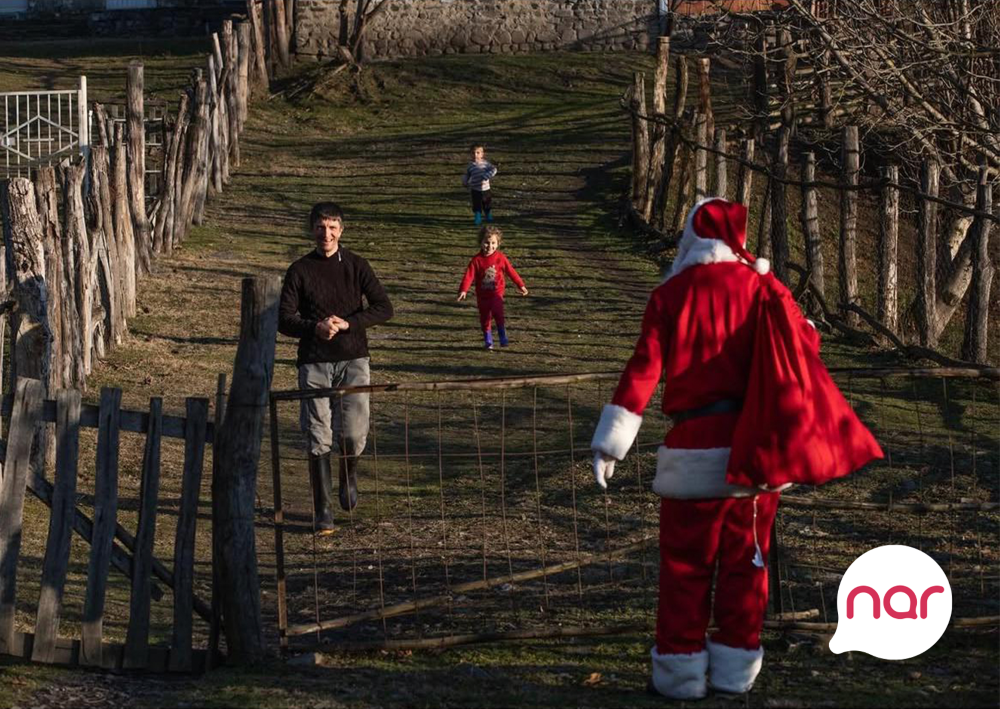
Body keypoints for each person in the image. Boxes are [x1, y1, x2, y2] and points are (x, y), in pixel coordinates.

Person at [590, 198, 882, 699]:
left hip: (690, 448)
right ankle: (734, 670)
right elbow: (805, 342)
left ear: (692, 236)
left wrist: (611, 444)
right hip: (754, 452)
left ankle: (680, 674)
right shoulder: (763, 288)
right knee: (747, 567)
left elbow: (643, 371)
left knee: (684, 567)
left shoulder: (670, 295)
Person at [278, 202, 394, 536]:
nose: (325, 234)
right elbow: (284, 319)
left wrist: (349, 324)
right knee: (318, 433)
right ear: (311, 229)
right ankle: (323, 510)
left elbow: (384, 308)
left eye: (332, 228)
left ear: (341, 230)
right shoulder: (299, 270)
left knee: (354, 432)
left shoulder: (357, 266)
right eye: (320, 227)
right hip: (314, 361)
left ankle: (349, 474)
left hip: (354, 357)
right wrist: (315, 327)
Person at [457, 225, 528, 350]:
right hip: (482, 296)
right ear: (481, 242)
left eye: (493, 243)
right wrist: (463, 290)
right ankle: (488, 339)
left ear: (498, 243)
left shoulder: (500, 258)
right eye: (486, 243)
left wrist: (520, 285)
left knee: (498, 313)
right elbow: (469, 275)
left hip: (496, 293)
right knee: (485, 317)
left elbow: (511, 271)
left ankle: (502, 336)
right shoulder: (476, 261)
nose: (490, 246)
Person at [462, 143, 498, 226]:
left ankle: (488, 215)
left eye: (478, 153)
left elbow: (494, 169)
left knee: (487, 203)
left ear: (482, 154)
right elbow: (467, 174)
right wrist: (465, 181)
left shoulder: (486, 164)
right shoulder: (470, 165)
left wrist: (487, 176)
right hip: (475, 189)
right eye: (473, 153)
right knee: (476, 204)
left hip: (485, 188)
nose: (475, 155)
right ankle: (477, 217)